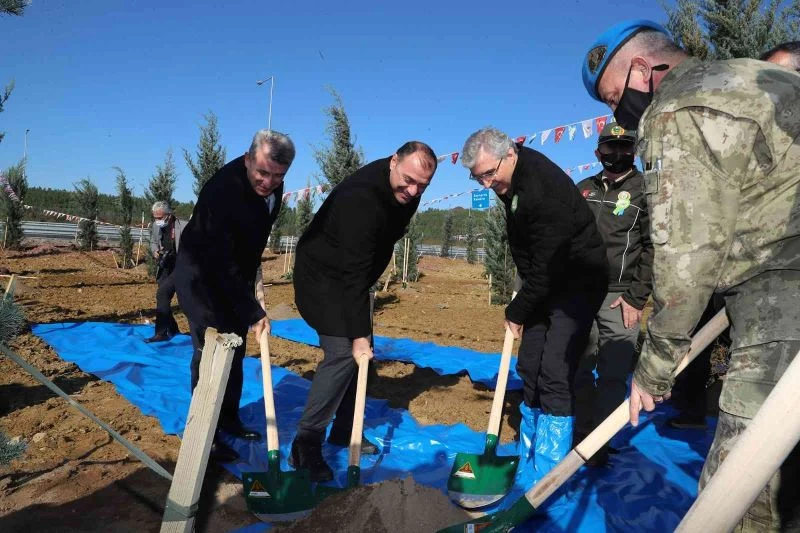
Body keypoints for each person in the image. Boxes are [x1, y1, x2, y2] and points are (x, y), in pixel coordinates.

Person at [583, 19, 800, 530]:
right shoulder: (761, 79)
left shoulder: (679, 107)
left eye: (615, 99)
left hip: (782, 301)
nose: (619, 116)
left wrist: (654, 366)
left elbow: (686, 256)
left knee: (745, 490)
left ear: (642, 69)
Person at [460, 127, 608, 487]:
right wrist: (526, 288)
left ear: (509, 154)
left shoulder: (542, 189)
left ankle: (549, 474)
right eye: (477, 177)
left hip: (576, 282)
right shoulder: (509, 182)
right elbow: (530, 252)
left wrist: (516, 310)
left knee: (555, 369)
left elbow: (548, 266)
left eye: (488, 174)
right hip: (546, 281)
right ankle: (529, 455)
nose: (484, 184)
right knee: (529, 365)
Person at [289, 141, 437, 482]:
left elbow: (368, 261)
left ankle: (345, 431)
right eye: (408, 180)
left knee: (363, 356)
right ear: (393, 160)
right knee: (343, 352)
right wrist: (357, 333)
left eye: (422, 186)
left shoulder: (404, 191)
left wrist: (362, 336)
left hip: (353, 277)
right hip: (322, 279)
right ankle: (306, 441)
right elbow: (351, 274)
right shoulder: (361, 200)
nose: (413, 191)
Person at [174, 129, 294, 463]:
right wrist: (253, 311)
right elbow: (219, 260)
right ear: (247, 159)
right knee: (211, 355)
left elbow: (250, 239)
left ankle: (228, 418)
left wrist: (252, 279)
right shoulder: (222, 192)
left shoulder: (273, 183)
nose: (269, 182)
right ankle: (204, 434)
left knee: (235, 351)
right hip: (201, 280)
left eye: (278, 175)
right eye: (262, 173)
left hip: (234, 279)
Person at [573, 121, 652, 466]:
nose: (617, 155)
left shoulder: (646, 191)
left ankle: (599, 445)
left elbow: (653, 248)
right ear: (598, 152)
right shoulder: (582, 189)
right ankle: (578, 437)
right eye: (610, 149)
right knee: (576, 368)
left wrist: (637, 297)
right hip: (579, 295)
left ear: (633, 152)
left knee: (613, 374)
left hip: (619, 298)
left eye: (624, 149)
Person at [144, 201, 185, 343]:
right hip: (165, 266)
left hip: (180, 267)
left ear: (169, 215)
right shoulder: (156, 226)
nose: (157, 220)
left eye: (160, 217)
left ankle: (161, 333)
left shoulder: (183, 226)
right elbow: (153, 242)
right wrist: (155, 251)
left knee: (165, 295)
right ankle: (171, 328)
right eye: (155, 217)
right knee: (163, 298)